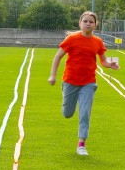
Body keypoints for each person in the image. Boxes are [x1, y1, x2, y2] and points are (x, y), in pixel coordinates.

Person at [48, 11, 120, 156]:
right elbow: (57, 57)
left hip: (89, 82)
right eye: (85, 21)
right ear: (80, 23)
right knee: (67, 113)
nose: (88, 24)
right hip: (70, 81)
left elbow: (103, 60)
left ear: (95, 25)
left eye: (91, 22)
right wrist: (52, 76)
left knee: (85, 113)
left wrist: (110, 64)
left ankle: (81, 145)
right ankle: (67, 103)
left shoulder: (98, 42)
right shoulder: (72, 39)